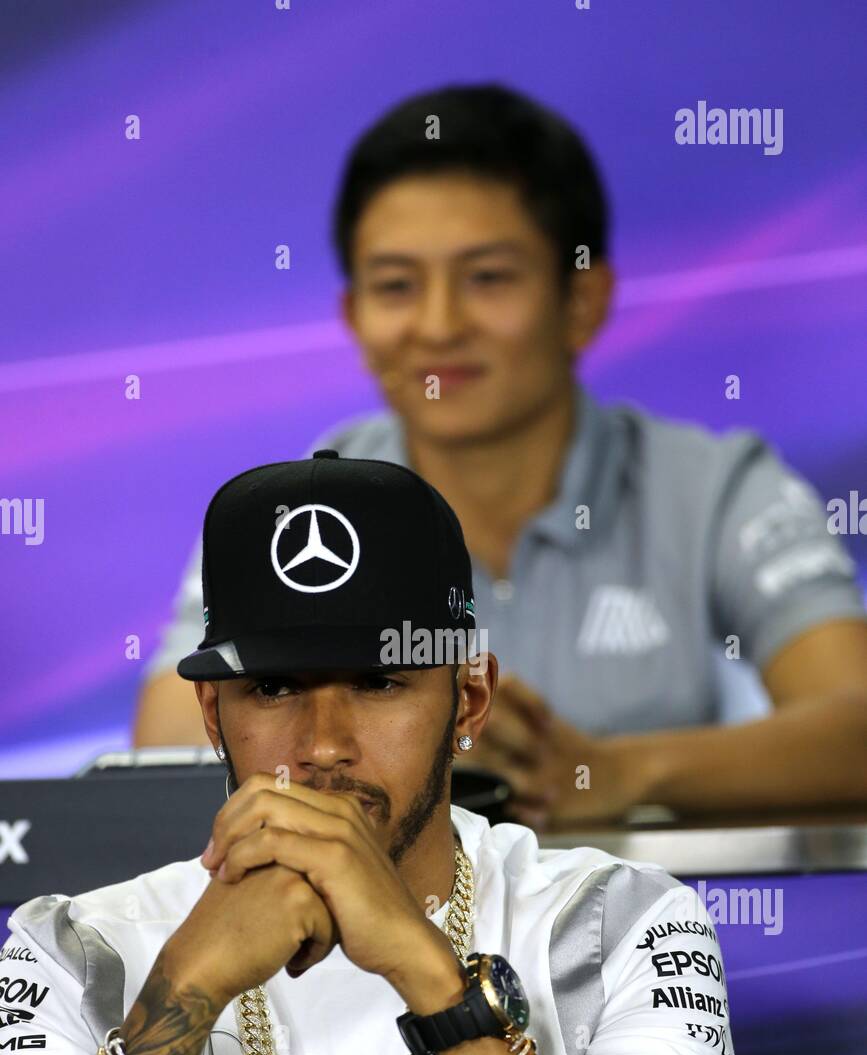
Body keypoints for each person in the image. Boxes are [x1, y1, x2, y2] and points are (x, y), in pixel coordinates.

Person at [0, 455, 739, 1055]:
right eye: (273, 687)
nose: (322, 743)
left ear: (468, 699)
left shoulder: (616, 921)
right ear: (212, 715)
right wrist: (181, 993)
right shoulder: (75, 948)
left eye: (378, 682)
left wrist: (431, 978)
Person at [132, 84, 867, 828]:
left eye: (487, 278)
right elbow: (157, 748)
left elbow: (856, 726)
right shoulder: (294, 510)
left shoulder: (712, 487)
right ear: (354, 317)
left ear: (581, 299)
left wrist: (618, 771)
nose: (439, 324)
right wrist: (407, 741)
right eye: (396, 285)